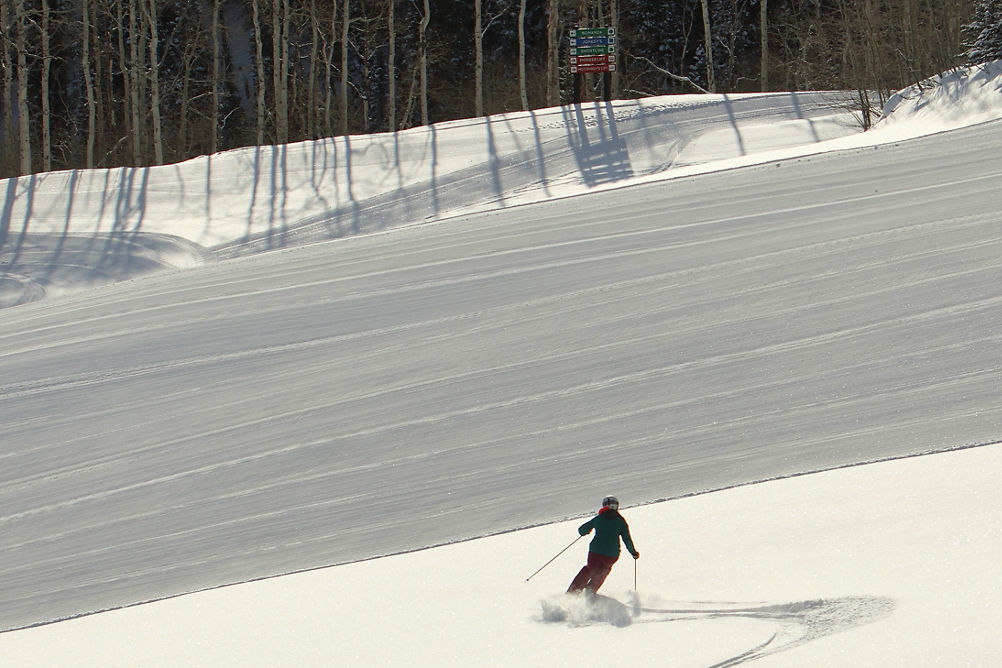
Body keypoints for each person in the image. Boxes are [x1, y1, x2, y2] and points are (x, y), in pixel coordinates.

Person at [567, 495, 639, 594]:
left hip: (595, 551)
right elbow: (627, 539)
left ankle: (573, 592)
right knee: (602, 572)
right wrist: (633, 552)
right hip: (612, 554)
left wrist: (586, 531)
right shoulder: (620, 521)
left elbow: (581, 530)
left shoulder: (599, 518)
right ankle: (589, 593)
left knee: (589, 570)